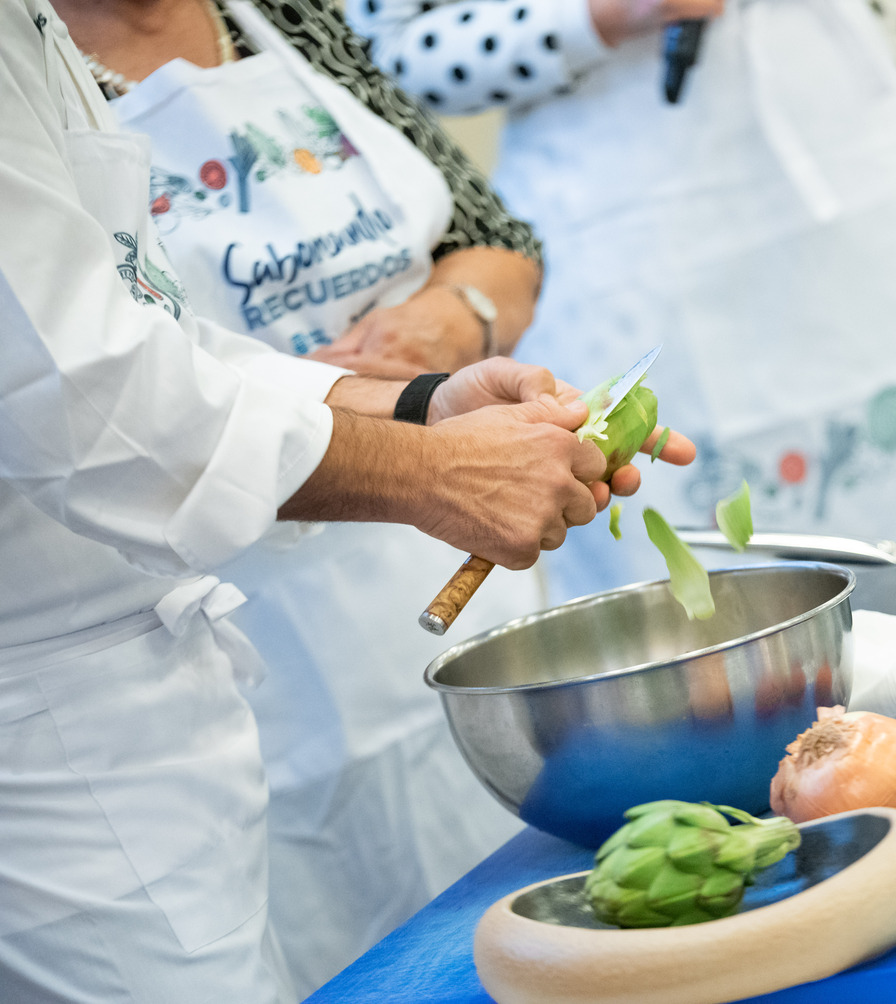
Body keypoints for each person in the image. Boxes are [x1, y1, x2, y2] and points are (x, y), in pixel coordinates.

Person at [0, 4, 692, 999]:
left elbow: (168, 345)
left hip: (176, 694)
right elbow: (83, 402)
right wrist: (434, 472)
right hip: (70, 734)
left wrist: (423, 404)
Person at [350, 0, 896, 603]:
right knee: (720, 614)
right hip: (636, 237)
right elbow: (386, 60)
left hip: (865, 181)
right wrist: (601, 16)